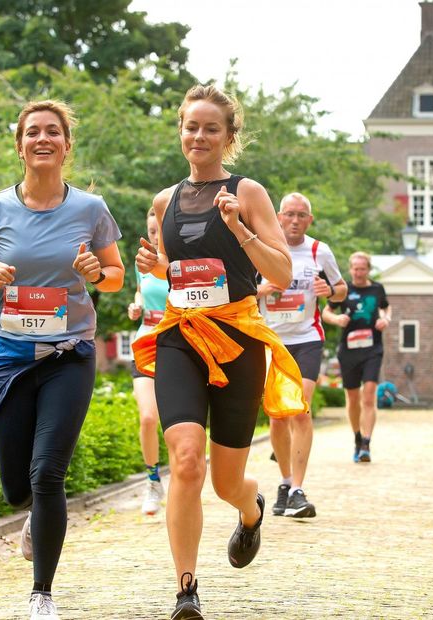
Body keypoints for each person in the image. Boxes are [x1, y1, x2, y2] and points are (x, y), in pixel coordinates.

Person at [132, 84, 305, 620]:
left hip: (238, 339)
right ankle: (186, 589)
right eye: (191, 126)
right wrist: (154, 267)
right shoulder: (164, 202)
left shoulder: (248, 192)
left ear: (229, 137)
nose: (199, 136)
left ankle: (250, 511)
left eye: (211, 128)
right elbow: (174, 272)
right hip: (181, 335)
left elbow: (281, 272)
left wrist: (239, 230)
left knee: (226, 480)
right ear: (180, 132)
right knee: (186, 459)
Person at [0, 100, 124, 620]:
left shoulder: (91, 209)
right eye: (33, 132)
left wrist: (95, 272)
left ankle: (41, 594)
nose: (43, 139)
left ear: (67, 145)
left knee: (47, 472)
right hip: (9, 355)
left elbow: (116, 277)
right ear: (19, 144)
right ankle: (36, 516)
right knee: (15, 487)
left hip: (69, 353)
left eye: (53, 131)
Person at [256, 192, 346, 519]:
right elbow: (238, 294)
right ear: (278, 217)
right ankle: (284, 482)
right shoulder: (263, 248)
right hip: (271, 341)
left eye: (301, 215)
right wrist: (260, 291)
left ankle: (297, 489)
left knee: (299, 411)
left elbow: (340, 288)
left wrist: (330, 292)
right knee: (277, 417)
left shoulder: (318, 251)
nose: (294, 221)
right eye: (289, 214)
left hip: (307, 338)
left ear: (309, 220)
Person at [322, 251, 390, 463]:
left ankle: (367, 444)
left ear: (368, 269)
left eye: (362, 269)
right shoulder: (343, 290)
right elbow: (326, 312)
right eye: (355, 269)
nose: (359, 273)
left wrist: (385, 319)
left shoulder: (377, 289)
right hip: (349, 350)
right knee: (352, 398)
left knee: (369, 394)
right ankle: (357, 438)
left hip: (373, 348)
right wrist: (337, 319)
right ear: (350, 269)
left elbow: (386, 308)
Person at [127, 206, 169, 515]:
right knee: (147, 418)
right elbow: (142, 291)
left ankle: (184, 478)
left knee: (177, 426)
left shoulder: (183, 262)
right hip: (145, 343)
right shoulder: (143, 261)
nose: (154, 237)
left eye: (159, 231)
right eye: (151, 231)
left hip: (179, 346)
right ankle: (153, 480)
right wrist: (136, 305)